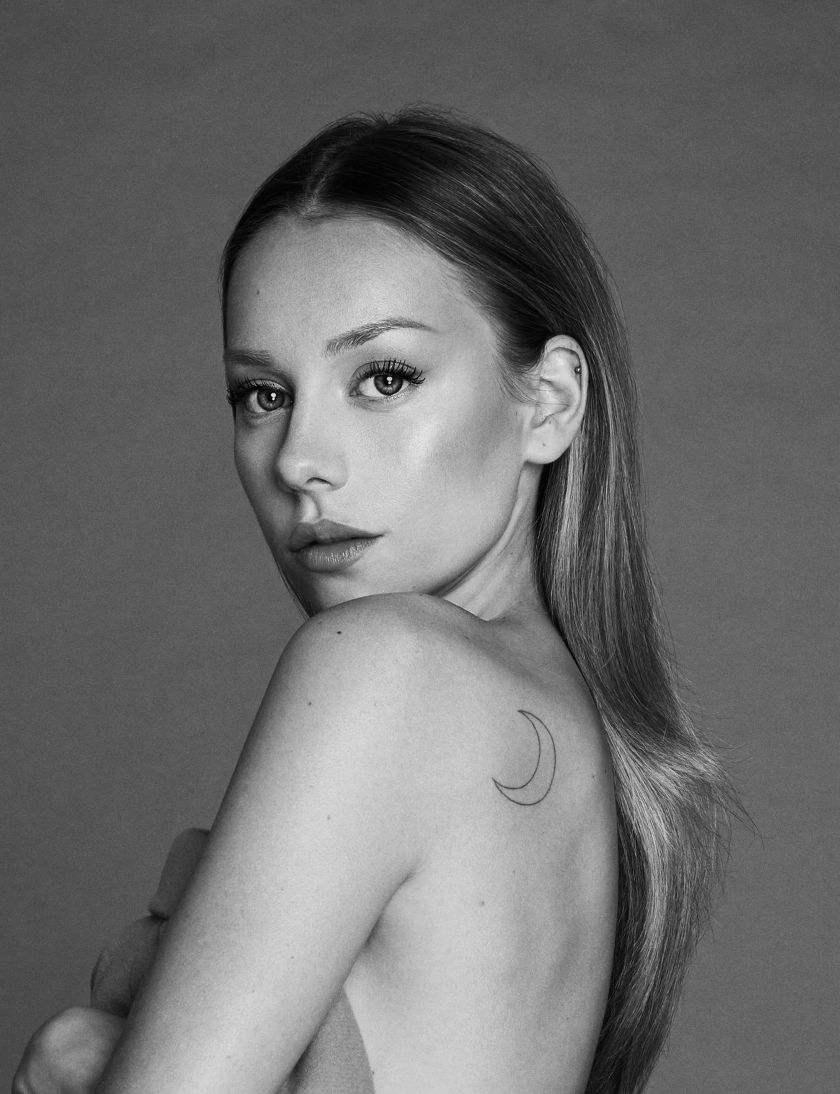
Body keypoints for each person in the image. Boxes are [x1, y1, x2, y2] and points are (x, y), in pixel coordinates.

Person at [13, 108, 734, 1094]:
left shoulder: (389, 662)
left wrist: (84, 1054)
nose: (300, 459)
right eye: (263, 394)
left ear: (550, 401)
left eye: (384, 377)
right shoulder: (575, 730)